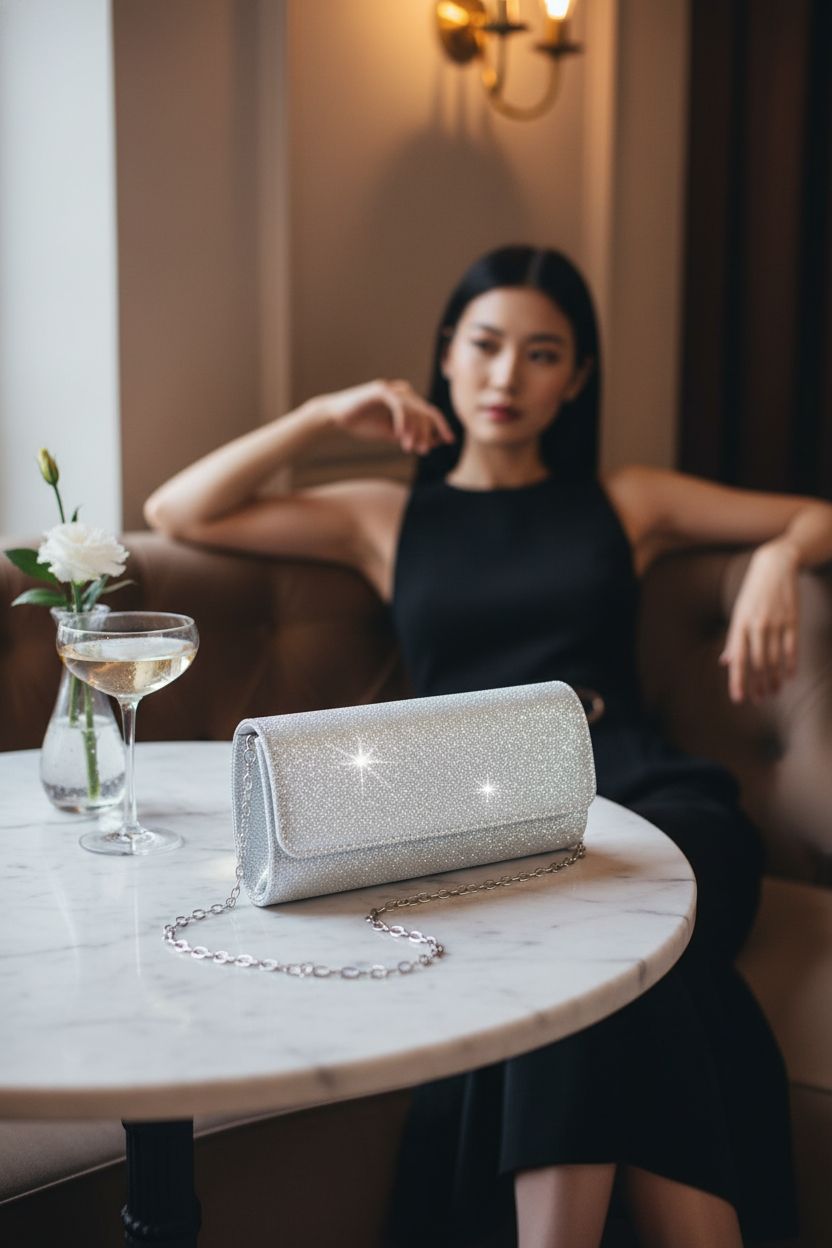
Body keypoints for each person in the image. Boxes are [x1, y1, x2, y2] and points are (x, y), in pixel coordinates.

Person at [145, 245, 832, 1247]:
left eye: (543, 354)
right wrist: (326, 414)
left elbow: (819, 516)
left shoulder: (625, 501)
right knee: (620, 975)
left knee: (589, 952)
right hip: (476, 815)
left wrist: (776, 556)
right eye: (485, 346)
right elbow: (178, 510)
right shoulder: (388, 518)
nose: (508, 377)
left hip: (645, 794)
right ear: (446, 358)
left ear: (577, 379)